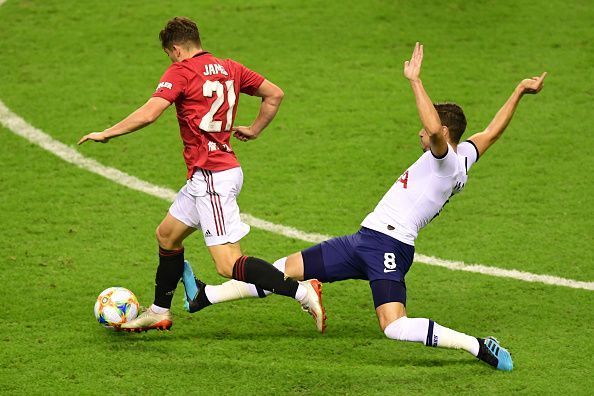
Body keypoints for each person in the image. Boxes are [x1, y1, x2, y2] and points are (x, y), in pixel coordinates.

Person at [182, 42, 547, 371]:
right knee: (285, 270)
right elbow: (492, 132)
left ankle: (478, 346)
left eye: (426, 127)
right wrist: (518, 91)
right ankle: (205, 296)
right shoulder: (465, 154)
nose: (419, 132)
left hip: (390, 247)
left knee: (395, 326)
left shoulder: (446, 159)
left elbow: (434, 131)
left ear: (444, 133)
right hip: (364, 240)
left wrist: (415, 81)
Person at [78, 16, 325, 332]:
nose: (170, 59)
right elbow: (274, 94)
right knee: (167, 235)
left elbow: (150, 112)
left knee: (228, 265)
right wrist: (254, 129)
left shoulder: (181, 71)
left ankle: (304, 292)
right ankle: (159, 311)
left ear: (177, 49)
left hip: (212, 178)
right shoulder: (230, 68)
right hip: (210, 174)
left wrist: (108, 133)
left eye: (169, 54)